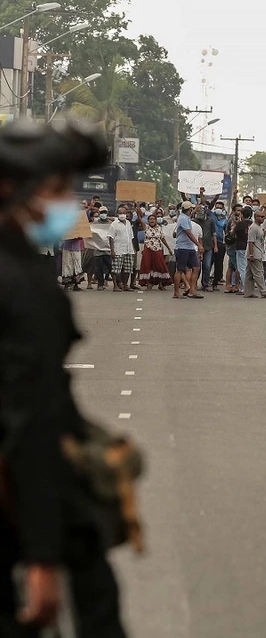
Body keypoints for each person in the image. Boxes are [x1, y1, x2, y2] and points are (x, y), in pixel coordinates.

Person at [0, 118, 129, 637]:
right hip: (26, 527)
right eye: (56, 189)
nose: (68, 205)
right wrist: (44, 557)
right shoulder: (25, 288)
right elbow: (30, 425)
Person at [173, 201, 203, 299]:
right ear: (188, 209)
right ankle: (176, 292)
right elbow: (189, 233)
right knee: (180, 270)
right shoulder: (182, 219)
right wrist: (198, 244)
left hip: (189, 247)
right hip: (182, 248)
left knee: (196, 268)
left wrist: (195, 210)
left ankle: (192, 290)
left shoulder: (185, 217)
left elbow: (189, 216)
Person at [137, 213, 172, 291]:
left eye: (153, 219)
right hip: (148, 249)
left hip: (157, 249)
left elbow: (162, 239)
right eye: (150, 219)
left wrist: (168, 248)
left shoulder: (159, 228)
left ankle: (161, 284)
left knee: (160, 266)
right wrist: (137, 211)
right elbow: (140, 219)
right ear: (148, 221)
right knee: (147, 266)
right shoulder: (146, 227)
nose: (152, 220)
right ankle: (149, 284)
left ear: (156, 221)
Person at [244, 207, 266, 299]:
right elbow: (250, 242)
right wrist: (251, 254)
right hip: (254, 254)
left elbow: (258, 238)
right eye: (260, 217)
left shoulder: (259, 227)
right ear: (256, 217)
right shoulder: (253, 228)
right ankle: (263, 292)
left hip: (258, 252)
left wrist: (265, 232)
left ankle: (248, 292)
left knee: (250, 274)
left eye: (263, 217)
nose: (262, 218)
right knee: (259, 273)